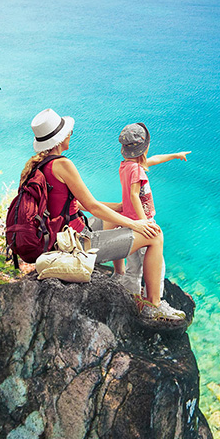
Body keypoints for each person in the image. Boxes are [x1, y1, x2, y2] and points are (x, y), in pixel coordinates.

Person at [22, 108, 185, 321]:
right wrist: (136, 224)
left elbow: (78, 205)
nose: (71, 135)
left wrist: (118, 208)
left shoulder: (39, 166)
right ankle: (153, 306)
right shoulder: (63, 164)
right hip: (75, 244)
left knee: (111, 217)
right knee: (155, 235)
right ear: (60, 139)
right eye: (68, 133)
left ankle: (120, 275)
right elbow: (93, 206)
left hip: (59, 236)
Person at [106, 122, 189, 302]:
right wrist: (145, 223)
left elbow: (154, 159)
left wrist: (175, 155)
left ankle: (132, 296)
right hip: (142, 223)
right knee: (156, 265)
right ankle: (154, 300)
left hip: (129, 222)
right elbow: (135, 196)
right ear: (145, 147)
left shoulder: (126, 166)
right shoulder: (137, 170)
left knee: (134, 266)